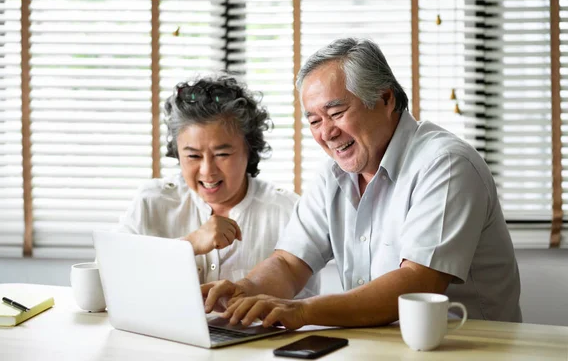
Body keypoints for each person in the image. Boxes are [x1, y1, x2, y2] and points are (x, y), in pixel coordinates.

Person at [202, 38, 522, 329]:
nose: (326, 132)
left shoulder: (447, 164)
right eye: (314, 120)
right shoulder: (334, 174)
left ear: (385, 99)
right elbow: (288, 263)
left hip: (468, 349)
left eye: (337, 112)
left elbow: (419, 282)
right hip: (376, 347)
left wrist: (301, 311)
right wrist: (244, 291)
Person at [117, 75, 318, 297]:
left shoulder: (287, 211)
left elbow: (301, 304)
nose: (207, 171)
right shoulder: (152, 201)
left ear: (249, 150)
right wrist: (188, 245)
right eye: (193, 155)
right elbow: (108, 278)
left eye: (222, 154)